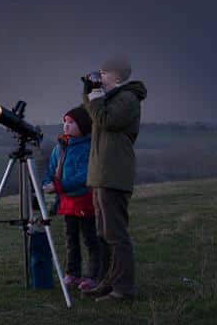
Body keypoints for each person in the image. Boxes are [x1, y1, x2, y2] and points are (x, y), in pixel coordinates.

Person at [81, 56, 148, 302]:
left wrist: (96, 96)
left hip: (114, 174)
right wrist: (89, 91)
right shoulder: (110, 99)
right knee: (103, 233)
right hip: (101, 174)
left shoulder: (128, 99)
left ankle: (123, 289)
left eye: (104, 73)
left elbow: (106, 120)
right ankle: (107, 282)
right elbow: (92, 113)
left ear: (117, 77)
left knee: (116, 235)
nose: (100, 76)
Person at [42, 106, 100, 292]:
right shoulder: (60, 147)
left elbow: (84, 176)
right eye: (65, 122)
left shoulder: (88, 148)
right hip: (67, 202)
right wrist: (47, 184)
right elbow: (51, 171)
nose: (66, 126)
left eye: (71, 122)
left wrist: (59, 186)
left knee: (90, 240)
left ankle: (93, 276)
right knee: (70, 239)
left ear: (83, 124)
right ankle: (72, 274)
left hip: (84, 200)